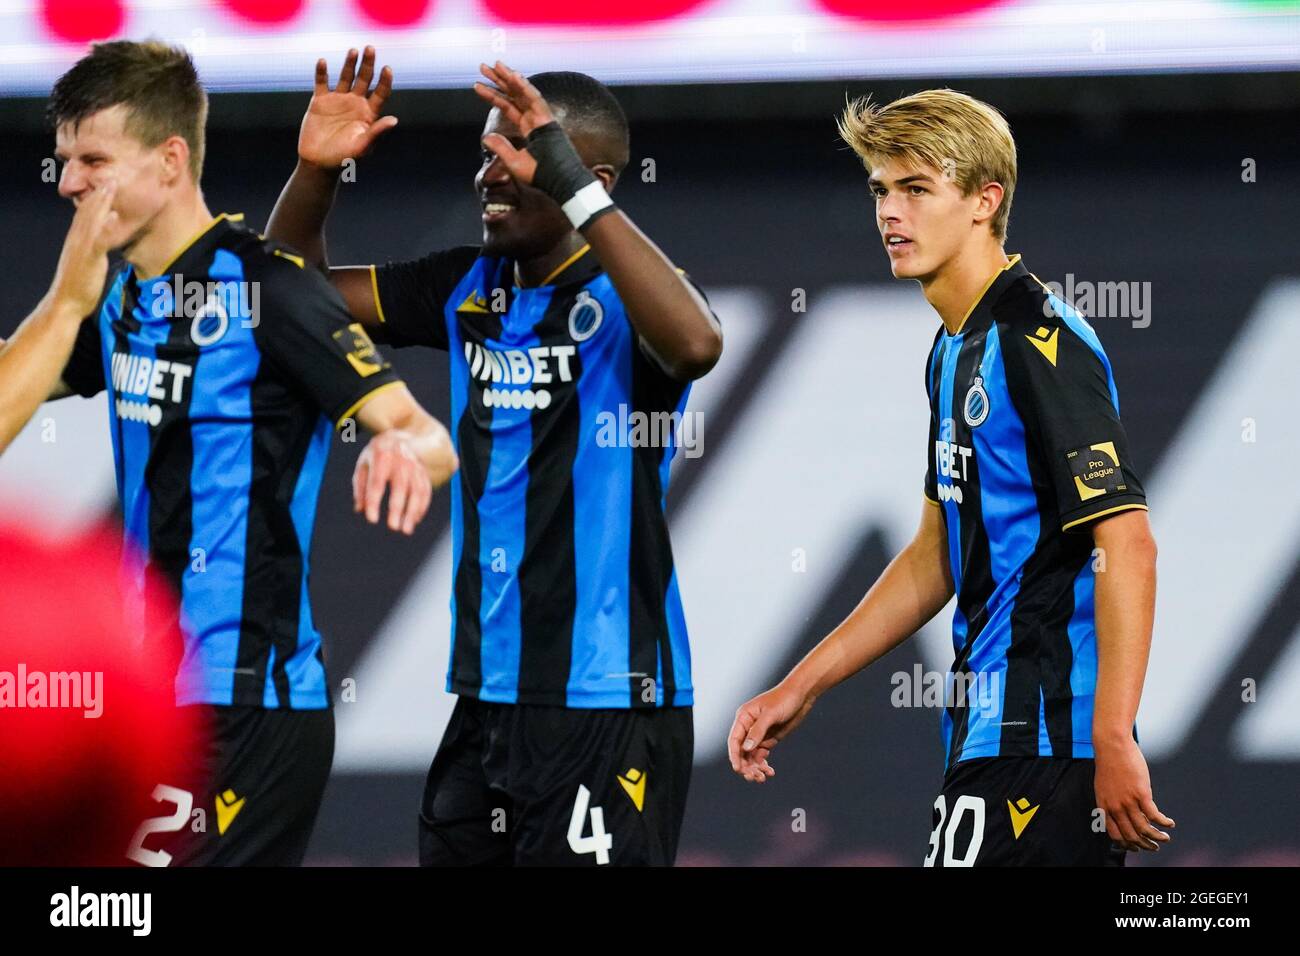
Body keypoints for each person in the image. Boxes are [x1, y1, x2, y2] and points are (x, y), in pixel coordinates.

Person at [267, 49, 721, 865]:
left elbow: (695, 345)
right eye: (486, 154)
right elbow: (288, 306)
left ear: (595, 180)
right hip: (486, 698)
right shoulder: (468, 285)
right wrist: (314, 176)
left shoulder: (634, 299)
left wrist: (573, 189)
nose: (491, 175)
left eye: (520, 155)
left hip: (608, 699)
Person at [728, 89, 1173, 866]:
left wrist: (1110, 736)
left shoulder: (1040, 340)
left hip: (1046, 743)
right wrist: (800, 685)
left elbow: (1127, 543)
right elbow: (937, 553)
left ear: (983, 200)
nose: (889, 213)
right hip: (989, 737)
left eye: (915, 189)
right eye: (879, 190)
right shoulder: (950, 351)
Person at [45, 40, 458, 865]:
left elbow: (425, 433)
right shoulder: (122, 291)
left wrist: (400, 453)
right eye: (61, 161)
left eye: (93, 159)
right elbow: (25, 378)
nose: (68, 184)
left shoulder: (268, 291)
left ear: (169, 161)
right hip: (144, 704)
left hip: (243, 710)